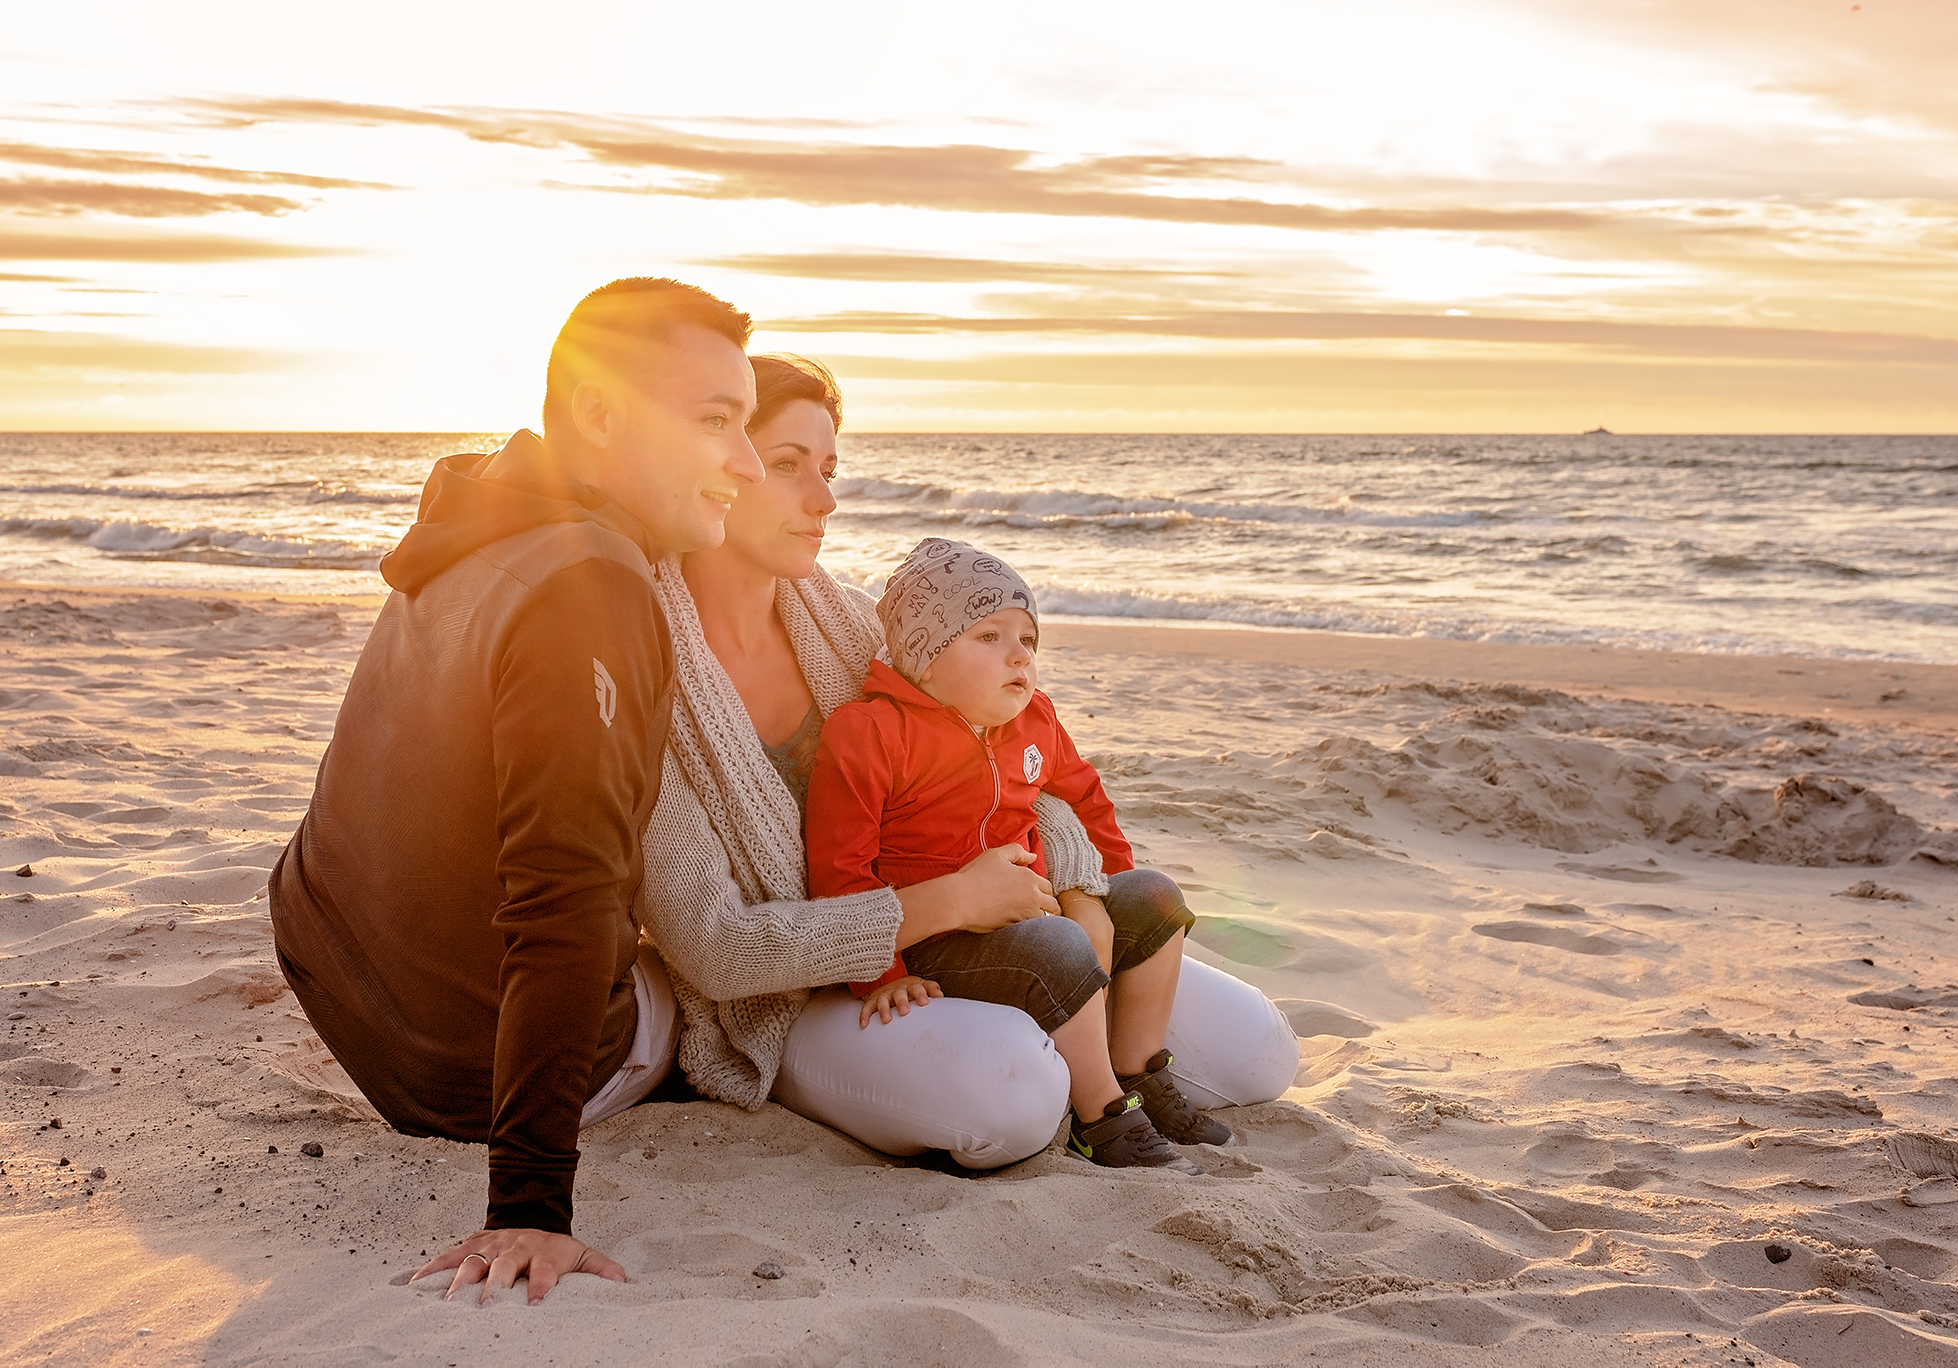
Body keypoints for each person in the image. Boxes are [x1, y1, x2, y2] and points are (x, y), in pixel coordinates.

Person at [636, 354, 1299, 1169]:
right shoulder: (644, 666)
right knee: (1012, 1097)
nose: (826, 500)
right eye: (787, 466)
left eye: (830, 469)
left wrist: (1062, 885)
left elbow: (1011, 766)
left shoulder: (852, 626)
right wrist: (946, 900)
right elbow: (714, 947)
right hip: (802, 996)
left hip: (989, 929)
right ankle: (1074, 1084)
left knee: (1258, 1054)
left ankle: (1097, 1068)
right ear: (719, 464)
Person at [268, 277, 763, 1304]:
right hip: (465, 1076)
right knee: (731, 977)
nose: (746, 466)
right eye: (716, 422)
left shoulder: (481, 516)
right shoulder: (593, 585)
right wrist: (530, 1206)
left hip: (355, 1010)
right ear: (596, 411)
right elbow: (565, 901)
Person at [807, 537, 1229, 1172]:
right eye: (989, 637)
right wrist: (885, 975)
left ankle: (1136, 1069)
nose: (1019, 657)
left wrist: (1107, 894)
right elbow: (840, 869)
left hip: (1029, 909)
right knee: (1061, 947)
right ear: (923, 656)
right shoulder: (869, 732)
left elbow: (1086, 800)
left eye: (1027, 639)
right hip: (938, 936)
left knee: (1155, 895)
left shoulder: (1035, 720)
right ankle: (1099, 1114)